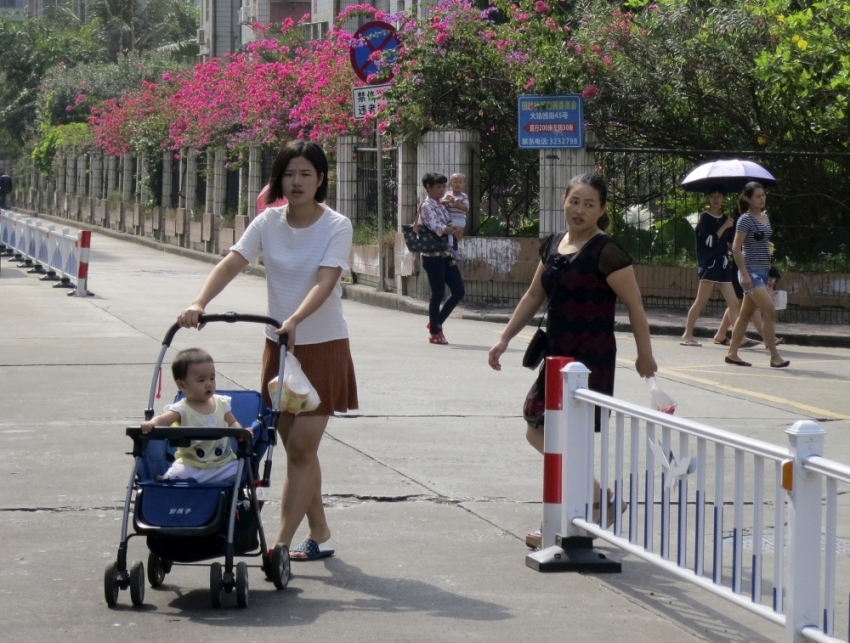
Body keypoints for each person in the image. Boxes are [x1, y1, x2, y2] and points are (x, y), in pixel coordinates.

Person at [177, 139, 358, 561]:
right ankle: (319, 527)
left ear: (321, 180)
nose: (296, 182)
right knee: (295, 446)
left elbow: (326, 281)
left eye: (306, 174)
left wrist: (294, 319)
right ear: (278, 179)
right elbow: (232, 262)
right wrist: (199, 303)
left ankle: (277, 544)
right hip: (277, 350)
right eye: (289, 174)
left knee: (300, 449)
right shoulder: (267, 223)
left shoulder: (336, 225)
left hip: (322, 346)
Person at [488, 173, 657, 548]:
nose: (580, 209)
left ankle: (568, 517)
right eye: (574, 201)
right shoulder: (552, 245)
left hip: (590, 358)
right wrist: (504, 338)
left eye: (589, 204)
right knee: (538, 427)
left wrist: (645, 354)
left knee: (570, 436)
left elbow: (635, 305)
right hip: (557, 355)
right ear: (564, 201)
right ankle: (599, 500)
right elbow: (534, 296)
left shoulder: (606, 251)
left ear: (602, 210)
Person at [140, 348, 241, 483]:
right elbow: (164, 419)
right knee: (178, 473)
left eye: (212, 378)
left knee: (240, 469)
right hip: (191, 464)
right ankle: (167, 480)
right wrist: (152, 423)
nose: (208, 384)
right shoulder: (181, 408)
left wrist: (240, 432)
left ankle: (239, 495)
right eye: (201, 380)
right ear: (182, 385)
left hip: (222, 463)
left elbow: (232, 423)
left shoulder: (221, 403)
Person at [724, 182, 789, 368]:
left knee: (745, 316)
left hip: (762, 270)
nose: (762, 198)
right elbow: (736, 248)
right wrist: (744, 274)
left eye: (763, 195)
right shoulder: (745, 219)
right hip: (750, 272)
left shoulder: (765, 217)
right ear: (747, 198)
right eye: (758, 196)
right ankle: (775, 356)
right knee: (769, 310)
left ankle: (732, 354)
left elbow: (761, 240)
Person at [680, 186, 741, 346]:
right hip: (710, 264)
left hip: (723, 264)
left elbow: (727, 243)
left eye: (719, 196)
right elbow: (710, 242)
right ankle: (687, 335)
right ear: (708, 198)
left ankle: (739, 337)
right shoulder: (705, 218)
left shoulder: (726, 219)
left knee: (734, 303)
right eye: (713, 196)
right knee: (701, 300)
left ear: (724, 199)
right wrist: (724, 227)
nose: (716, 199)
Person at [419, 172, 465, 345]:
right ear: (428, 188)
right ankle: (434, 332)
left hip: (447, 254)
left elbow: (451, 222)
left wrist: (455, 229)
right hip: (433, 257)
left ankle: (436, 322)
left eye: (443, 186)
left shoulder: (443, 204)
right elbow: (435, 226)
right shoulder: (427, 206)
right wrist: (453, 230)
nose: (441, 190)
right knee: (437, 293)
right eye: (437, 186)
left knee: (458, 290)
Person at [440, 173, 469, 262]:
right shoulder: (448, 194)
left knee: (449, 228)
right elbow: (441, 202)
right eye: (455, 182)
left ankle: (449, 247)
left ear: (464, 185)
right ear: (450, 183)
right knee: (452, 233)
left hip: (459, 219)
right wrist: (448, 201)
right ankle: (456, 255)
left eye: (460, 182)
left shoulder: (463, 196)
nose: (457, 184)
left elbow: (466, 208)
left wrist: (459, 205)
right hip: (450, 218)